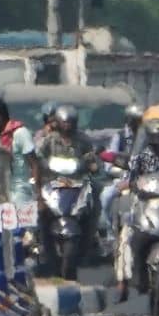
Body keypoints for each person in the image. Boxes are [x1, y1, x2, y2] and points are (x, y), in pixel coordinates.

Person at [115, 119, 159, 303]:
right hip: (144, 203)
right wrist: (129, 184)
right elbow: (129, 177)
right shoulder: (139, 158)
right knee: (126, 235)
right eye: (157, 138)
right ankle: (123, 279)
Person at [32, 105, 100, 266]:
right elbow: (38, 156)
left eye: (71, 122)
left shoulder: (83, 139)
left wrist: (93, 165)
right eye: (65, 122)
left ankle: (92, 239)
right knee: (41, 212)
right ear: (58, 123)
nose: (68, 126)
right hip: (53, 182)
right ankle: (40, 243)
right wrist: (39, 165)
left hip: (77, 183)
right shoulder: (50, 139)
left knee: (95, 199)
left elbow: (91, 157)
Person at [0, 99, 37, 205]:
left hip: (21, 193)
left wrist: (39, 196)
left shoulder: (21, 133)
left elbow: (35, 164)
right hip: (4, 194)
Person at [102, 104, 145, 248]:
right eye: (134, 120)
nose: (137, 123)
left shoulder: (147, 137)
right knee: (105, 197)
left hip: (143, 179)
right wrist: (124, 174)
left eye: (140, 120)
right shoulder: (119, 136)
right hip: (122, 178)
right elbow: (109, 163)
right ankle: (109, 234)